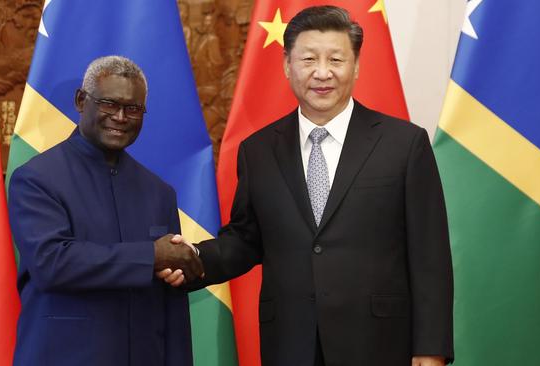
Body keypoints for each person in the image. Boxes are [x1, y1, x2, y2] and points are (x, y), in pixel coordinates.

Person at [162, 6, 453, 366]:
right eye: (309, 59)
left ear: (356, 65)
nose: (322, 72)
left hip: (378, 342)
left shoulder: (404, 144)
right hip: (290, 342)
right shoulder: (258, 150)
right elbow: (246, 239)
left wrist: (430, 347)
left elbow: (430, 254)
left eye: (336, 59)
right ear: (287, 65)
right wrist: (194, 260)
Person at [8, 55, 203, 366]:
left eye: (133, 109)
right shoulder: (37, 179)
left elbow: (172, 304)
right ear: (81, 101)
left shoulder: (159, 192)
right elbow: (52, 263)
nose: (121, 117)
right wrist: (152, 255)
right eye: (109, 104)